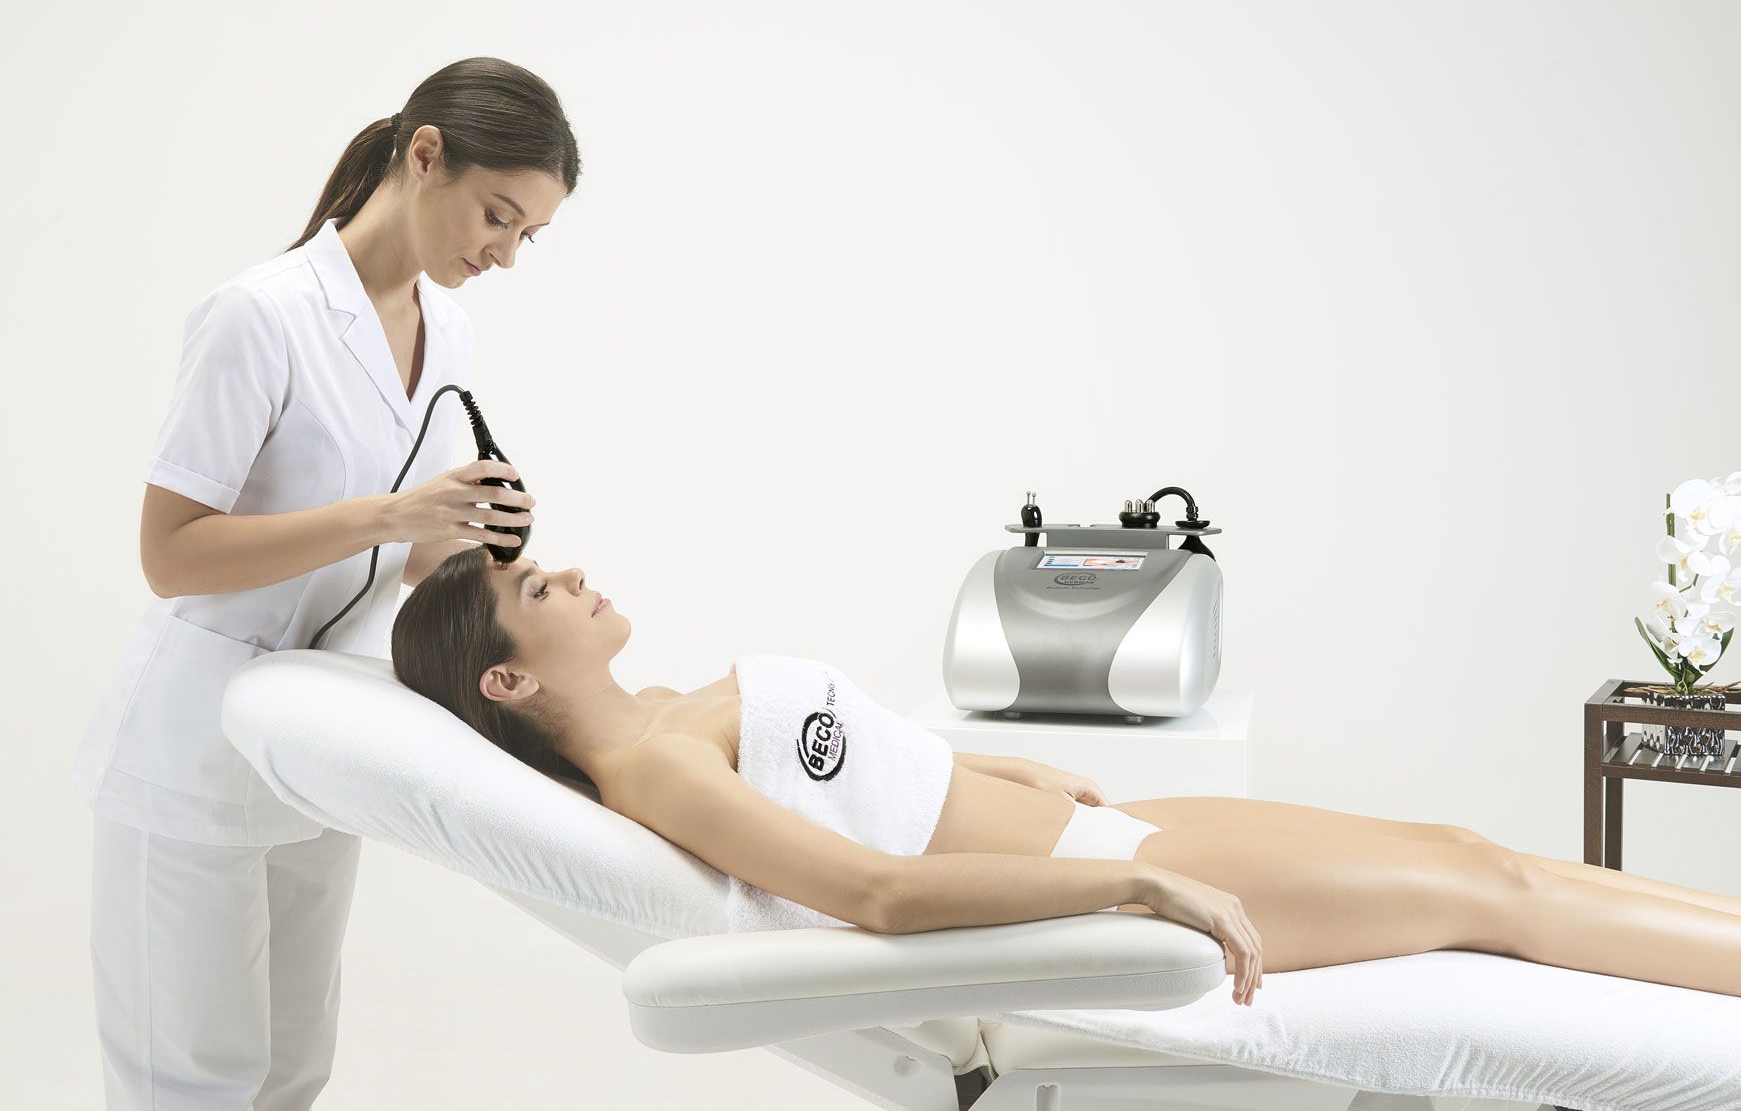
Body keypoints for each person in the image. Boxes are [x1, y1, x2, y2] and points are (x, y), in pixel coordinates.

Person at [391, 546, 1741, 1009]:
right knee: (1487, 891)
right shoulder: (659, 768)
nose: (570, 574)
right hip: (1101, 867)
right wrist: (1135, 887)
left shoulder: (668, 709)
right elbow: (875, 889)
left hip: (1095, 824)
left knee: (1461, 846)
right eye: (536, 589)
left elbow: (852, 773)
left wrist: (984, 761)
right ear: (505, 681)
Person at [69, 57, 576, 1109]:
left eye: (527, 234)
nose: (504, 253)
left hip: (318, 742)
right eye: (498, 215)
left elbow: (404, 563)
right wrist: (391, 514)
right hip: (195, 746)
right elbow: (171, 553)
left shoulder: (450, 332)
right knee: (192, 1082)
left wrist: (474, 539)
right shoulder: (258, 315)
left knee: (292, 1071)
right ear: (425, 155)